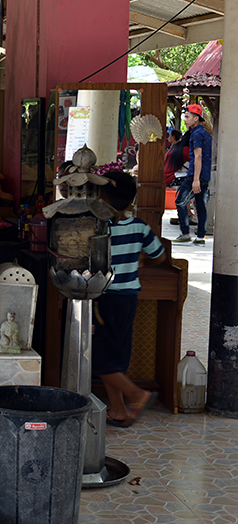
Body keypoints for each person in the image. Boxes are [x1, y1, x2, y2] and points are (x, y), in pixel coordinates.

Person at [96, 170, 166, 427]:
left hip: (106, 297)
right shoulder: (139, 226)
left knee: (102, 359)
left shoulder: (101, 227)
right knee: (115, 356)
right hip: (128, 298)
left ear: (102, 199)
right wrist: (141, 261)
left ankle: (138, 394)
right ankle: (119, 411)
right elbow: (160, 256)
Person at [174, 104, 211, 245]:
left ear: (196, 119)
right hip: (205, 175)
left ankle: (185, 234)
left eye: (187, 117)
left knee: (179, 201)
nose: (185, 119)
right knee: (200, 205)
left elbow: (198, 156)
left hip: (196, 174)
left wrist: (195, 179)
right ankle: (200, 237)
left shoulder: (196, 134)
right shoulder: (205, 133)